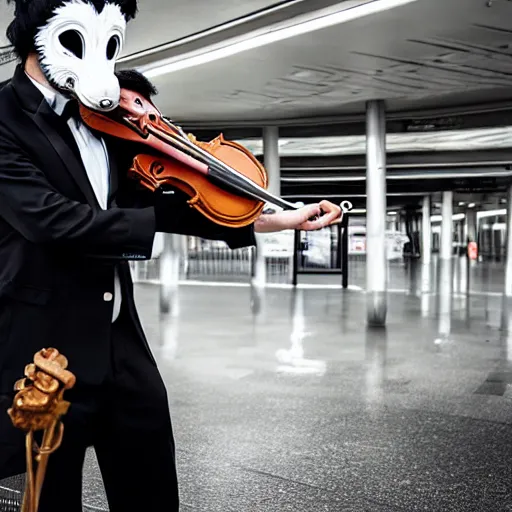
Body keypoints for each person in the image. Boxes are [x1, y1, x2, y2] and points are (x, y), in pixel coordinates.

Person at [0, 1, 341, 510]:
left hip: (121, 345)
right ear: (34, 34)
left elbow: (168, 196)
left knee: (153, 493)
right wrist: (154, 220)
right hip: (46, 350)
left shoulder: (103, 115)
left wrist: (267, 217)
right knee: (54, 498)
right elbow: (51, 221)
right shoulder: (3, 117)